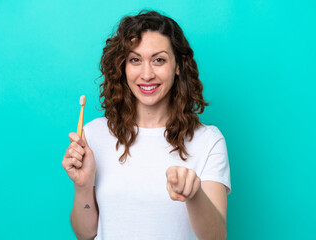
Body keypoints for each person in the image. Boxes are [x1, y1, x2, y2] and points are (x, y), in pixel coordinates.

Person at [62, 10, 231, 240]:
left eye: (159, 60)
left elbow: (217, 237)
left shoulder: (208, 141)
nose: (147, 74)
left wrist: (195, 195)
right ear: (123, 66)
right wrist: (83, 185)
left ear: (178, 65)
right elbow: (85, 233)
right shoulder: (94, 134)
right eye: (135, 60)